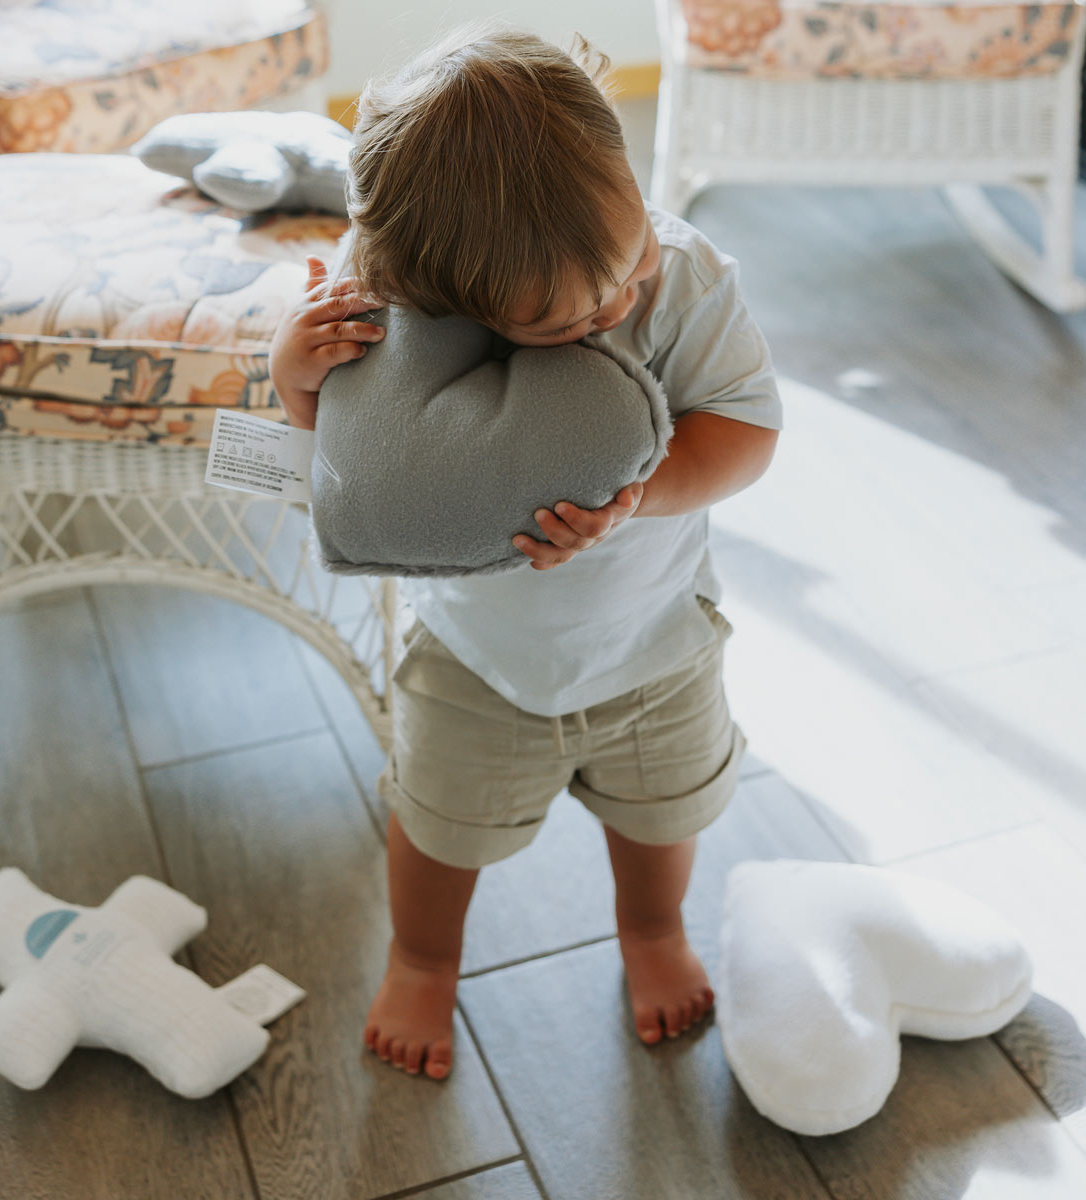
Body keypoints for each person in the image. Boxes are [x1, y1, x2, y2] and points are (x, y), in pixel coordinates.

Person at [269, 24, 782, 1081]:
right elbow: (353, 467)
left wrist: (641, 496)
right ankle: (422, 957)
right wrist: (293, 379)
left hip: (656, 639)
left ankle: (651, 932)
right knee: (437, 824)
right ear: (450, 298)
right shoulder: (390, 309)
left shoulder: (684, 276)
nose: (618, 304)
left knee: (660, 815)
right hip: (475, 657)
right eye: (570, 315)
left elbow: (747, 431)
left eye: (625, 259)